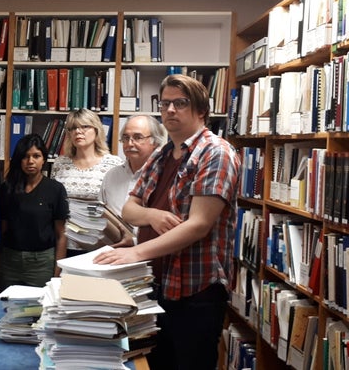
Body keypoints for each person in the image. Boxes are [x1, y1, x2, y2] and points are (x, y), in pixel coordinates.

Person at [93, 74, 240, 370]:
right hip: (156, 285)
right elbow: (129, 209)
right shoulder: (162, 155)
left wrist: (133, 252)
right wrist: (153, 215)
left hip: (195, 292)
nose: (170, 110)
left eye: (181, 103)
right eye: (166, 103)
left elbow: (198, 224)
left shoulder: (216, 152)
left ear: (201, 111)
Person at [0, 134, 69, 293]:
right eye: (25, 156)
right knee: (6, 307)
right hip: (10, 261)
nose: (30, 161)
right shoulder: (7, 188)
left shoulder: (55, 189)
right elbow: (2, 229)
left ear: (43, 159)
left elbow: (61, 234)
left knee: (39, 309)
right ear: (19, 160)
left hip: (41, 263)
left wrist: (58, 271)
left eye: (36, 156)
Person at [50, 108, 122, 256]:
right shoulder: (60, 163)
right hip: (66, 242)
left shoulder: (112, 163)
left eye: (85, 126)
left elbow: (117, 207)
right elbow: (54, 204)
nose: (78, 131)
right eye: (73, 128)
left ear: (97, 131)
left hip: (100, 244)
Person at [100, 115, 166, 245]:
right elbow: (102, 215)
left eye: (138, 137)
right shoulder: (112, 176)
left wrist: (135, 242)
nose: (130, 144)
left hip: (152, 254)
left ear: (155, 142)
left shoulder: (164, 176)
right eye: (125, 138)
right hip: (114, 251)